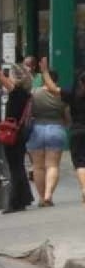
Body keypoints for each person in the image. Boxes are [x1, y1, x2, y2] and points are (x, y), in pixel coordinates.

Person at [0, 52, 35, 213]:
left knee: (14, 168)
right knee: (19, 166)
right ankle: (23, 198)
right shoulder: (27, 94)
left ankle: (15, 202)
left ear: (17, 78)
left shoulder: (15, 92)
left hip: (12, 134)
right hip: (20, 133)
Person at [27, 61, 69, 206]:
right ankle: (48, 194)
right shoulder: (61, 95)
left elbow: (29, 112)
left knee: (38, 167)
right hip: (56, 128)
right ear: (56, 79)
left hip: (37, 129)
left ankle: (41, 197)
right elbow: (67, 117)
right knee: (52, 165)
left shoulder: (34, 93)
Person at [46, 70, 85, 203]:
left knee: (80, 163)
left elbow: (52, 88)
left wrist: (45, 71)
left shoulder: (72, 94)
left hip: (77, 131)